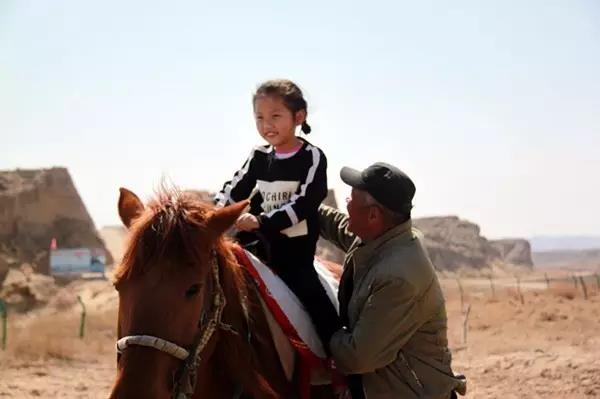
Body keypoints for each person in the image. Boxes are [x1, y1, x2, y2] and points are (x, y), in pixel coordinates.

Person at [318, 162, 467, 399]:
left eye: (351, 198)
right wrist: (295, 206)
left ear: (373, 214)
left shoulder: (398, 277)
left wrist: (319, 319)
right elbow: (337, 225)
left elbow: (358, 357)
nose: (346, 202)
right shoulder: (381, 237)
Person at [215, 79, 341, 350]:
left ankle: (342, 374)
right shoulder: (259, 157)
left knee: (325, 315)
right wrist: (213, 214)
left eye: (275, 116)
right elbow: (233, 189)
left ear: (299, 117)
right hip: (255, 248)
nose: (266, 125)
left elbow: (305, 203)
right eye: (259, 117)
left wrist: (262, 221)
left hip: (294, 256)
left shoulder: (312, 157)